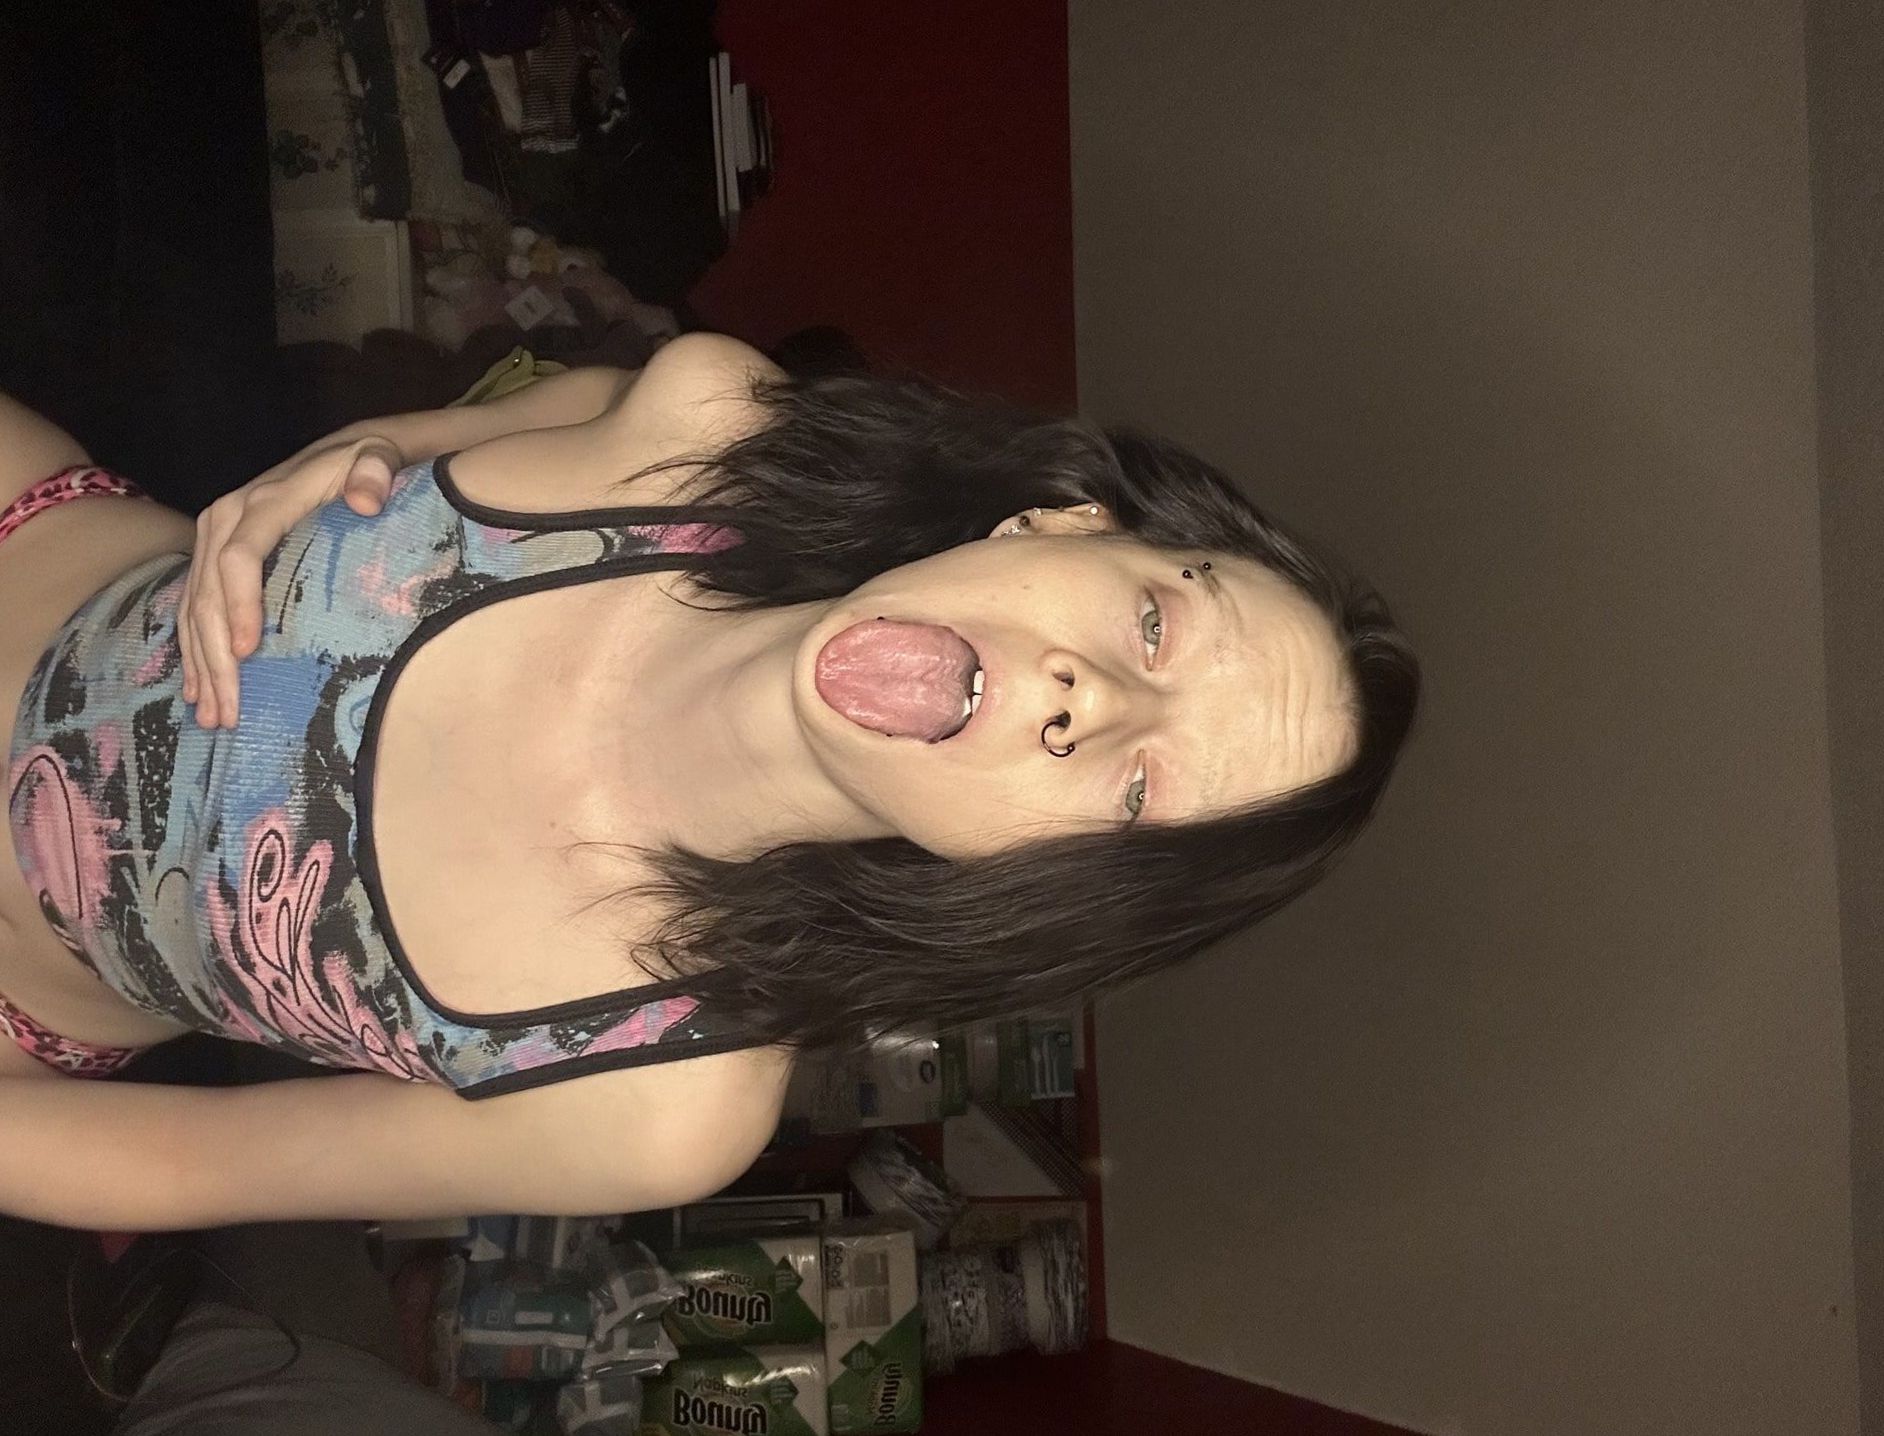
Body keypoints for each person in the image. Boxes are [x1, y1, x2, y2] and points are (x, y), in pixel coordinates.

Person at [0, 334, 1420, 1231]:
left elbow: (191, 1166)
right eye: (1156, 626)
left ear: (1047, 882)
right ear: (1061, 521)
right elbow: (568, 402)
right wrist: (364, 453)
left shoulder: (655, 1101)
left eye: (1139, 793)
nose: (1089, 698)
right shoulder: (707, 422)